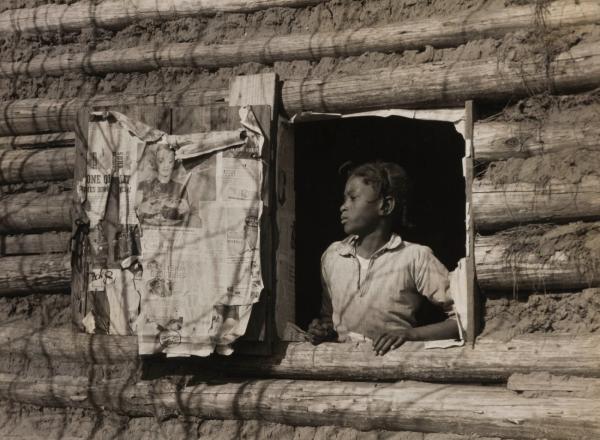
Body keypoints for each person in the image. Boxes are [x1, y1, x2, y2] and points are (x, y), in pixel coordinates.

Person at [307, 161, 459, 356]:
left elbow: (462, 320)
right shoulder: (333, 256)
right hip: (343, 372)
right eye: (344, 199)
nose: (343, 207)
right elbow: (329, 317)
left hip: (391, 370)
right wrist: (323, 330)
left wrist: (410, 334)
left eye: (353, 198)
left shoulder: (414, 257)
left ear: (386, 205)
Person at [136, 144, 190, 225]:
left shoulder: (181, 187)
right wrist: (140, 208)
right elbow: (134, 212)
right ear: (155, 162)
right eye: (161, 161)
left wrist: (186, 211)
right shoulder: (142, 185)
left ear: (174, 163)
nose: (166, 166)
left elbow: (186, 216)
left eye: (170, 161)